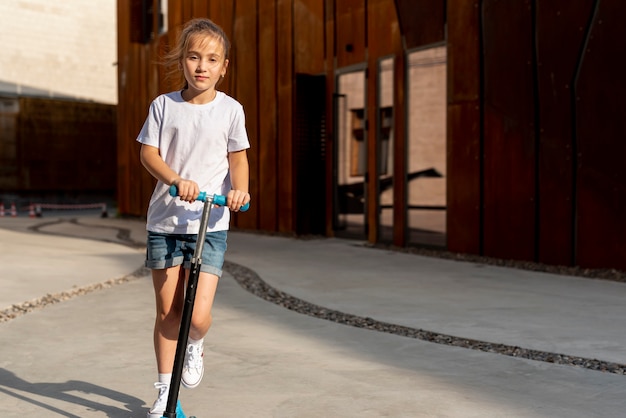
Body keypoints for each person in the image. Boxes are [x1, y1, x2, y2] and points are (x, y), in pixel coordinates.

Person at [136, 18, 250, 418]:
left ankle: (196, 344)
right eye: (194, 56)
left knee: (196, 316)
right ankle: (166, 395)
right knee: (168, 313)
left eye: (212, 59)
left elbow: (238, 158)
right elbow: (148, 153)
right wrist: (175, 179)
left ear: (224, 67)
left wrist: (239, 190)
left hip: (210, 224)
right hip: (166, 223)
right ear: (183, 62)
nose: (202, 66)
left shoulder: (231, 110)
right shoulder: (164, 106)